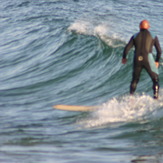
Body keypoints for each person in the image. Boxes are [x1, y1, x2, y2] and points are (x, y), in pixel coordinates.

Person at [122, 20, 162, 99]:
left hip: (137, 59)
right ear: (148, 27)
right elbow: (159, 51)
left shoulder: (135, 36)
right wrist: (157, 61)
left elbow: (127, 48)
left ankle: (131, 98)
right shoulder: (153, 36)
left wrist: (124, 57)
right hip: (148, 59)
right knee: (155, 79)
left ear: (140, 26)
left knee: (135, 80)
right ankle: (156, 98)